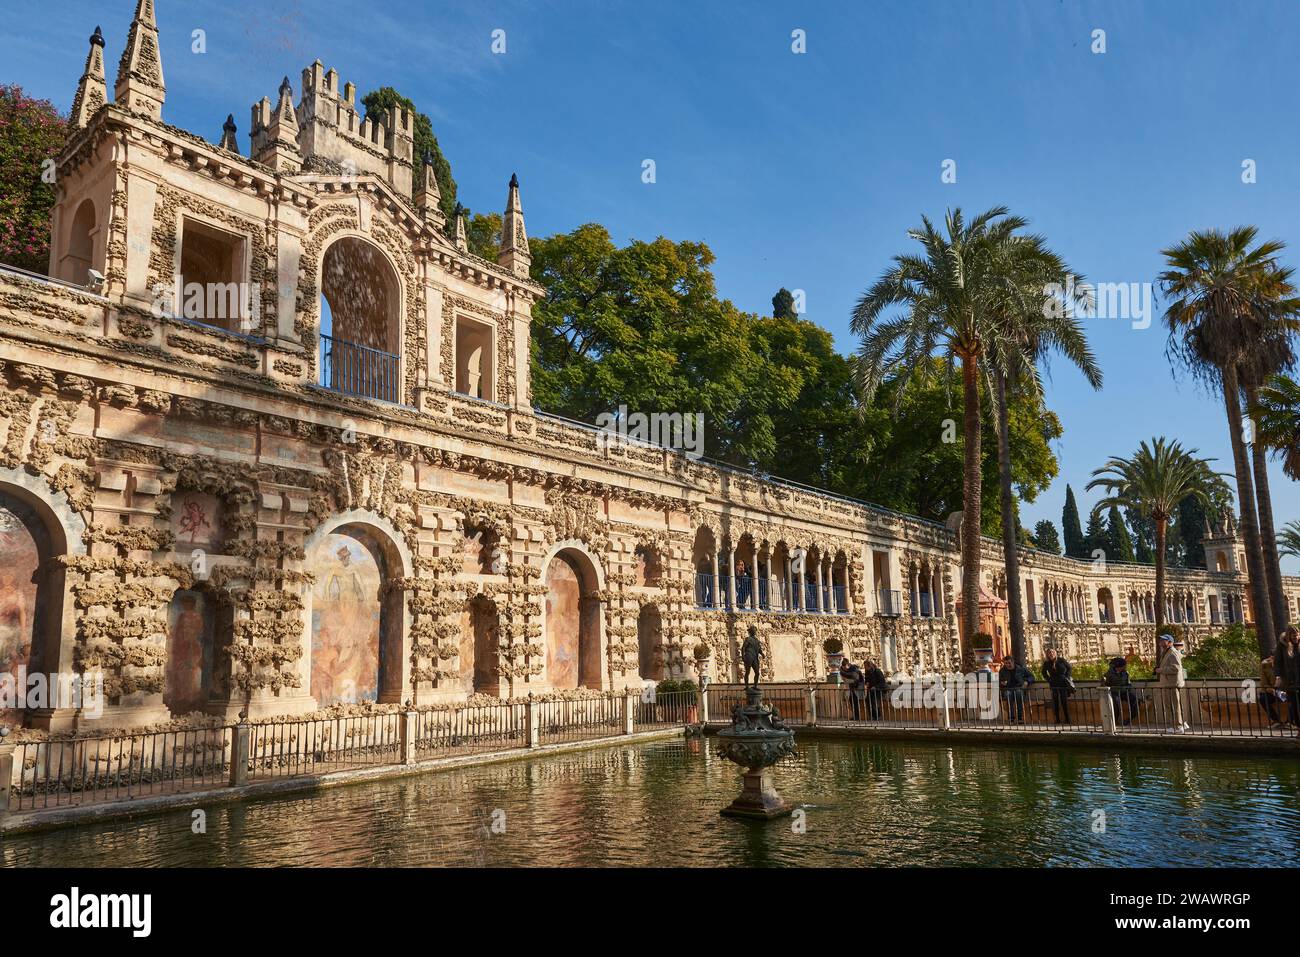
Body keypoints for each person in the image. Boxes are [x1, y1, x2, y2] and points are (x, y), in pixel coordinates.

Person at [1155, 633, 1187, 732]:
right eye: (1160, 640)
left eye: (1163, 640)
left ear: (1170, 642)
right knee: (1169, 705)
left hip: (1172, 683)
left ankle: (1178, 726)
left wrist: (1160, 670)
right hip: (1168, 683)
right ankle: (1172, 725)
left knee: (1174, 705)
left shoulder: (1173, 652)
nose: (1160, 642)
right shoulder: (1166, 652)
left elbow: (1176, 668)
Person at [1275, 627, 1300, 729]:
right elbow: (1278, 662)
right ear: (1288, 636)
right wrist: (1278, 676)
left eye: (1297, 635)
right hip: (1290, 682)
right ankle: (1299, 728)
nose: (1296, 637)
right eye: (1294, 636)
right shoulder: (1282, 646)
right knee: (1295, 706)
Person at [1102, 656, 1138, 726]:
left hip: (1124, 692)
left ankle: (1128, 720)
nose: (1125, 667)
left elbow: (1129, 684)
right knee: (1116, 703)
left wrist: (1127, 688)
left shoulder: (1125, 673)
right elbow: (1105, 686)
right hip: (1114, 693)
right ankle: (1115, 722)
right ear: (1119, 666)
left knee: (1134, 700)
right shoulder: (1108, 675)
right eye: (1124, 666)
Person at [1041, 647, 1073, 724]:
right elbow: (1043, 673)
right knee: (1055, 702)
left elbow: (1069, 668)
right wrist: (1049, 679)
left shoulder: (1061, 660)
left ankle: (1067, 719)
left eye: (1052, 652)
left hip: (1063, 683)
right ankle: (1057, 719)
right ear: (1047, 655)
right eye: (1049, 653)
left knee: (1064, 701)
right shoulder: (1047, 663)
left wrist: (1067, 677)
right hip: (1054, 683)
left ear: (1055, 653)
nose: (1051, 654)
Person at [998, 655, 1032, 724]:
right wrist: (1002, 683)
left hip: (1018, 688)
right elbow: (998, 681)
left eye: (1009, 663)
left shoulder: (1020, 668)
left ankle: (1020, 718)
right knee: (1008, 695)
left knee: (1018, 694)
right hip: (1008, 689)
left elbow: (1031, 676)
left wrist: (1027, 681)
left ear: (1013, 662)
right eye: (1006, 663)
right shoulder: (1002, 670)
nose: (1008, 665)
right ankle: (1011, 719)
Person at [1259, 656, 1284, 729]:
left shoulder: (1288, 664)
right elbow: (1264, 684)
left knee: (1293, 698)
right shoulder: (1266, 667)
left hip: (1288, 690)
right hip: (1275, 691)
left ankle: (1290, 721)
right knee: (1263, 699)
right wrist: (1271, 690)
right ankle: (1276, 720)